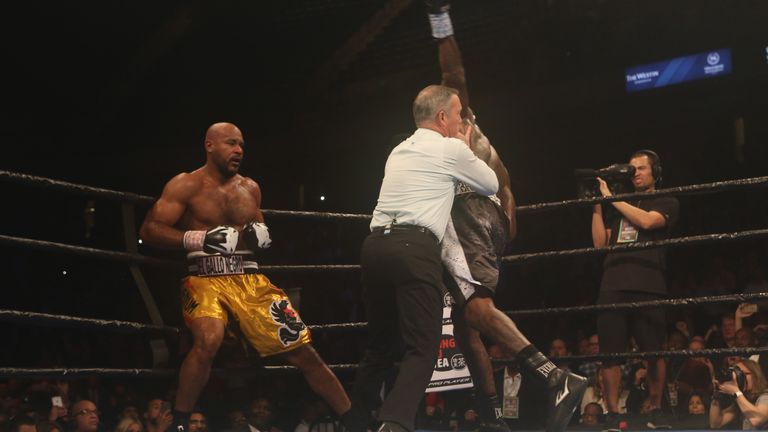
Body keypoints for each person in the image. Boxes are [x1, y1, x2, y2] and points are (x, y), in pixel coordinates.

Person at [424, 3, 587, 431]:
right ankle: (493, 418)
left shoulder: (460, 123)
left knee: (477, 312)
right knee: (465, 325)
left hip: (476, 218)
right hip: (491, 224)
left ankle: (556, 377)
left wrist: (439, 19)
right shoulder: (455, 141)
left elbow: (454, 74)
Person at [139, 122, 357, 432]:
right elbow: (149, 230)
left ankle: (354, 419)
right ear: (209, 145)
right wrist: (198, 239)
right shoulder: (185, 185)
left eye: (241, 144)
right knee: (209, 339)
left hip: (250, 280)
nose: (239, 150)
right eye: (230, 143)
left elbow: (260, 234)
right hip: (204, 278)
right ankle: (181, 424)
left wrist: (260, 236)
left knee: (303, 350)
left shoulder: (250, 188)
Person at [350, 83, 496, 432]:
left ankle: (353, 421)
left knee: (381, 346)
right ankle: (395, 423)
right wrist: (464, 147)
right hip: (413, 249)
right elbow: (490, 184)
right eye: (459, 115)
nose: (462, 121)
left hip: (374, 248)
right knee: (423, 347)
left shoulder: (399, 150)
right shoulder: (449, 148)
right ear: (443, 117)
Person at [591, 148, 679, 430]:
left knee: (653, 351)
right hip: (613, 284)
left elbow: (647, 221)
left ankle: (655, 406)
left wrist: (611, 198)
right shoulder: (619, 206)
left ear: (656, 173)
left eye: (641, 168)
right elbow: (599, 244)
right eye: (632, 169)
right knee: (610, 354)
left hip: (648, 284)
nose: (636, 173)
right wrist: (596, 205)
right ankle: (614, 413)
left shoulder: (667, 200)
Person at [709, 359, 768, 429]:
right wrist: (716, 395)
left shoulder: (765, 396)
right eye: (737, 374)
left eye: (742, 374)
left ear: (755, 375)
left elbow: (757, 419)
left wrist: (736, 392)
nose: (739, 378)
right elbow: (716, 423)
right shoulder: (743, 398)